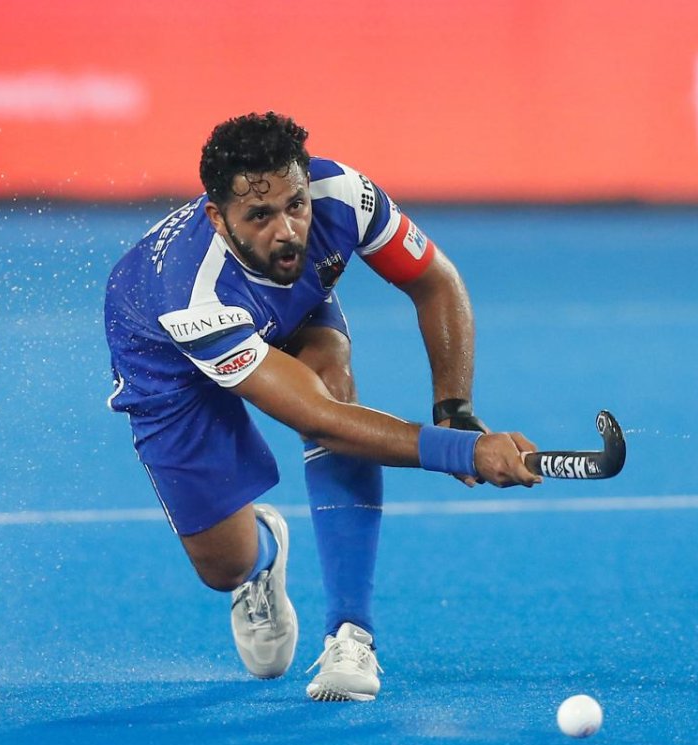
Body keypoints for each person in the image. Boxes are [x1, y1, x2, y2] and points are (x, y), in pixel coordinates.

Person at [103, 111, 541, 701]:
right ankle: (262, 557)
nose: (287, 231)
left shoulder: (344, 194)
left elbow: (436, 282)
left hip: (291, 305)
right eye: (260, 216)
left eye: (295, 205)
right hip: (165, 363)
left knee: (333, 381)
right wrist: (465, 451)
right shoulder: (192, 295)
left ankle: (350, 635)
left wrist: (454, 407)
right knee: (224, 567)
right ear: (218, 218)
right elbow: (319, 422)